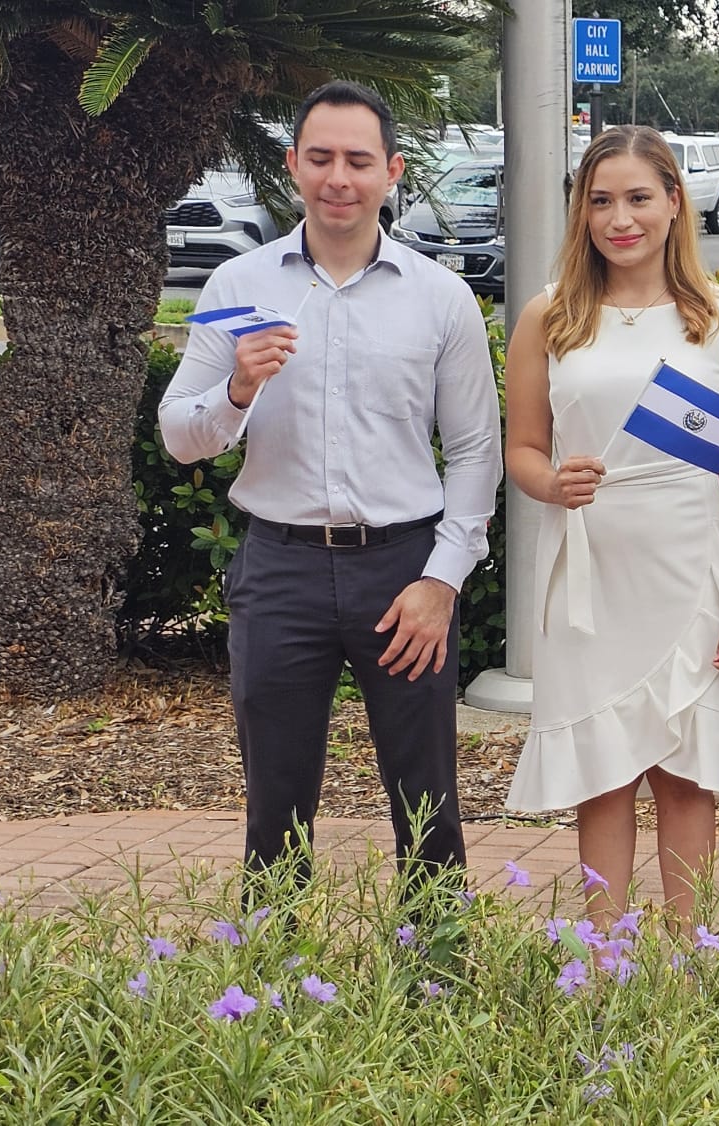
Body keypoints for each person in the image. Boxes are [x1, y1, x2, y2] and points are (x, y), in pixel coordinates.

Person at [158, 81, 502, 891]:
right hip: (279, 570)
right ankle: (273, 982)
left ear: (393, 172)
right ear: (292, 166)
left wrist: (441, 580)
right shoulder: (239, 287)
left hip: (403, 569)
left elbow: (475, 453)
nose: (337, 178)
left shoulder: (441, 297)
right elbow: (180, 437)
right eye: (320, 158)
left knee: (427, 800)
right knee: (274, 801)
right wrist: (238, 390)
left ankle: (435, 975)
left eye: (357, 160)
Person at [503, 126, 719, 924]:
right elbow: (523, 450)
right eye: (600, 201)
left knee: (685, 770)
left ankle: (687, 968)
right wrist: (553, 482)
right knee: (601, 773)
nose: (619, 218)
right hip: (592, 570)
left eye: (638, 198)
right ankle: (605, 968)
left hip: (689, 566)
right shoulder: (548, 317)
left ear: (675, 202)